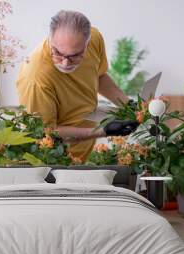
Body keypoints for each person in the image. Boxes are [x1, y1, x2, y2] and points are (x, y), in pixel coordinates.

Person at [16, 10, 138, 162]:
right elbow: (46, 133)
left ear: (87, 43)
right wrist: (104, 131)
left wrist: (127, 104)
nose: (65, 63)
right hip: (53, 161)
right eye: (58, 53)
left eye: (74, 56)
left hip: (84, 152)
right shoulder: (36, 77)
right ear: (50, 39)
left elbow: (98, 75)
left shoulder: (95, 39)